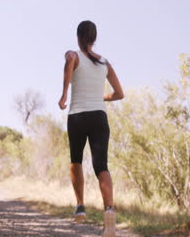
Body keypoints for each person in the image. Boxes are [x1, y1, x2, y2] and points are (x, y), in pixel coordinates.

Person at [58, 20, 124, 237]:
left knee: (75, 159)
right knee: (101, 165)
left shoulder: (73, 55)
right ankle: (109, 212)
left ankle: (80, 206)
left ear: (78, 37)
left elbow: (69, 60)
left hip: (77, 116)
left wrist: (64, 94)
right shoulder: (105, 63)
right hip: (99, 117)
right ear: (94, 39)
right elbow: (119, 94)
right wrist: (100, 97)